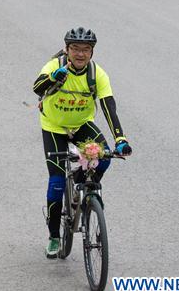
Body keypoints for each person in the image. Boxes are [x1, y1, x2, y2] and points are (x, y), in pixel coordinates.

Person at [33, 27, 132, 259]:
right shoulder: (54, 65)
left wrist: (120, 139)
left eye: (85, 50)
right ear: (67, 50)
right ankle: (54, 237)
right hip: (54, 127)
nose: (80, 54)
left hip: (81, 125)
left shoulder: (98, 74)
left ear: (92, 52)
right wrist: (52, 78)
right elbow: (36, 87)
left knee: (105, 157)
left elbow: (109, 106)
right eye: (75, 49)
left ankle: (82, 183)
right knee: (56, 182)